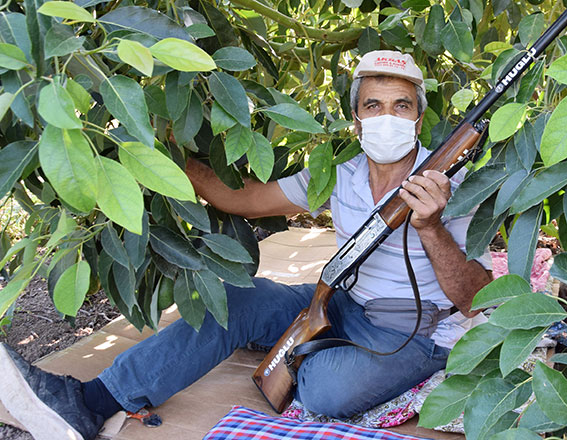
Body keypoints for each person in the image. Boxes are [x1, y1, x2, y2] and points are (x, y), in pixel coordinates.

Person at [0, 50, 494, 440]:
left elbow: (477, 298)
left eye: (401, 106)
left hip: (414, 331)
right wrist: (165, 147)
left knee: (325, 391)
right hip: (342, 301)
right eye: (374, 105)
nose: (388, 117)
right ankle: (90, 401)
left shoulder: (453, 182)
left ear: (418, 118)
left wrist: (429, 227)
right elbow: (244, 199)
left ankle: (308, 350)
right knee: (237, 301)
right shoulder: (336, 173)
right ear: (357, 120)